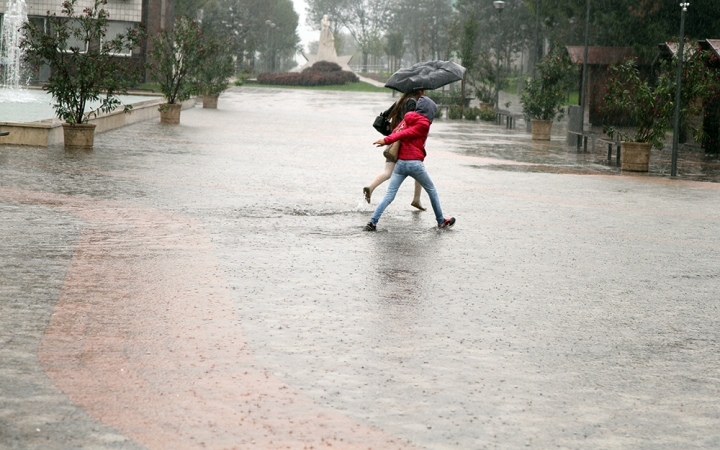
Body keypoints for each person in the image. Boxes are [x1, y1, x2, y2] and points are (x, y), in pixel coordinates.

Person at [364, 95, 455, 231]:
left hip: (401, 164)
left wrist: (387, 139)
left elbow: (396, 131)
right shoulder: (423, 125)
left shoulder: (408, 118)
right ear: (429, 111)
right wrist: (386, 141)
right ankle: (441, 221)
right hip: (414, 164)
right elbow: (403, 134)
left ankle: (373, 222)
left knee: (389, 195)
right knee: (432, 190)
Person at [363, 90, 426, 211]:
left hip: (393, 140)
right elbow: (410, 122)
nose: (424, 94)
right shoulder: (412, 102)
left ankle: (370, 188)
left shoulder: (400, 101)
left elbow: (385, 115)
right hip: (403, 142)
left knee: (387, 172)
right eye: (423, 91)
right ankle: (416, 199)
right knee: (420, 169)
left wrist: (391, 133)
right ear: (419, 91)